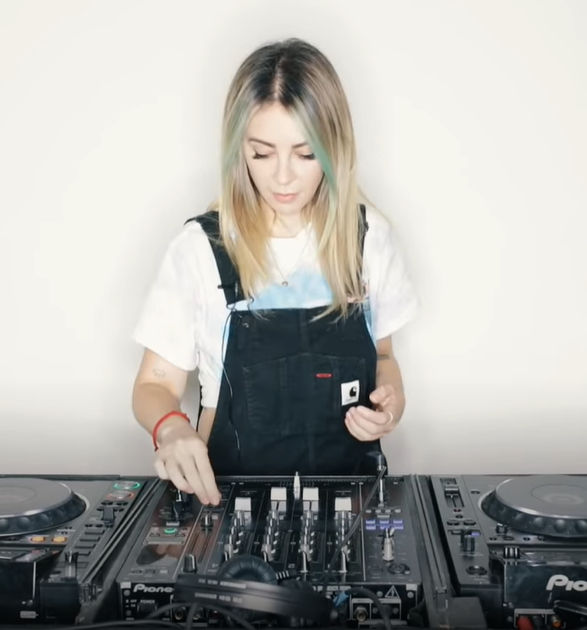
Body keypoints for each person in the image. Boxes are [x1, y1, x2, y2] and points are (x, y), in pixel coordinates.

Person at [129, 38, 419, 506]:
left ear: (334, 148)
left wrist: (392, 402)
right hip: (229, 506)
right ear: (237, 150)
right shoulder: (200, 249)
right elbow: (153, 385)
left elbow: (383, 355)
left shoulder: (369, 240)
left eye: (305, 154)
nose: (283, 177)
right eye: (262, 153)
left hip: (353, 504)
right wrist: (171, 428)